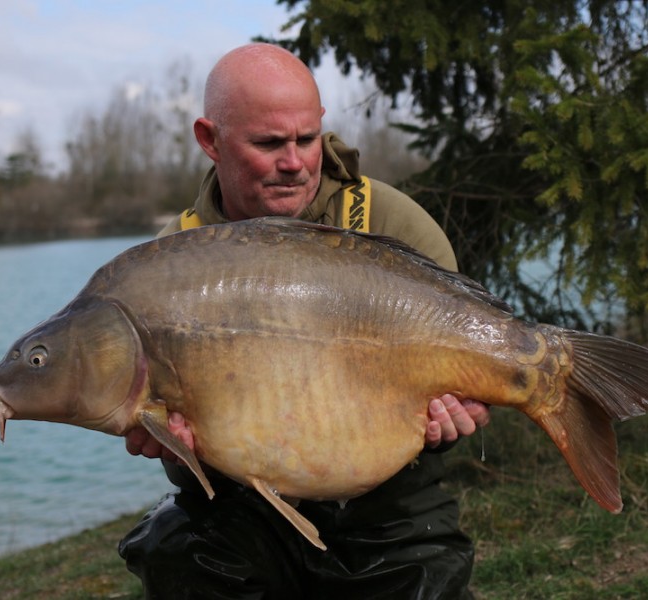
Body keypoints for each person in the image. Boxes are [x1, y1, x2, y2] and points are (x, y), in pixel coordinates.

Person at [119, 42, 490, 599]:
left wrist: (449, 424)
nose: (294, 162)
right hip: (246, 506)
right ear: (210, 140)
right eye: (269, 143)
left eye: (307, 139)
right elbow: (186, 446)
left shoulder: (391, 223)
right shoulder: (168, 265)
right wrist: (176, 451)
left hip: (391, 504)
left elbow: (451, 388)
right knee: (174, 545)